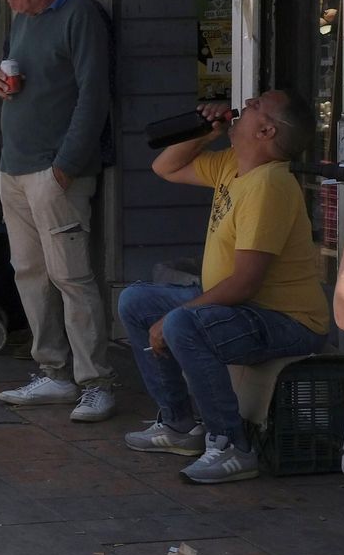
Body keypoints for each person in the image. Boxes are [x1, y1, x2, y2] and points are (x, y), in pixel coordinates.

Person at [120, 92, 327, 483]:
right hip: (242, 309)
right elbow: (164, 166)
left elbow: (245, 284)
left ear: (266, 130)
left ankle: (231, 444)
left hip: (288, 321)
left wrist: (179, 316)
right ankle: (180, 425)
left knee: (181, 323)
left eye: (254, 106)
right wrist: (205, 131)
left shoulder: (269, 186)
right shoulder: (233, 165)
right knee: (137, 301)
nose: (244, 103)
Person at [0, 0, 117, 423]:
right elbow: (10, 73)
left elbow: (93, 96)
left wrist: (66, 164)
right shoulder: (22, 18)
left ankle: (96, 380)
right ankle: (53, 372)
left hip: (55, 170)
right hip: (16, 168)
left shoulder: (79, 15)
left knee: (71, 275)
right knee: (30, 272)